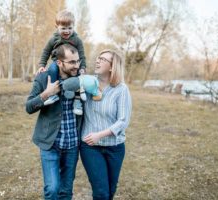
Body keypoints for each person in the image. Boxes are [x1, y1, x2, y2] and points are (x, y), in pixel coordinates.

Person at [26, 44, 83, 200]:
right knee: (52, 189)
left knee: (66, 191)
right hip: (50, 143)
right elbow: (29, 107)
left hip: (72, 145)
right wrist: (46, 93)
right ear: (59, 62)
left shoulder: (80, 80)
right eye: (72, 62)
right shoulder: (44, 78)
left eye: (78, 61)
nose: (76, 66)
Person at [80, 49, 132, 200]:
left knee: (110, 190)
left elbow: (123, 120)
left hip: (115, 147)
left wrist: (101, 135)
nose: (97, 61)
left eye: (102, 59)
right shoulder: (87, 83)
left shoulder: (121, 89)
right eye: (97, 58)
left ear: (112, 66)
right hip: (90, 146)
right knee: (101, 192)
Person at [37, 10, 86, 115]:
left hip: (73, 63)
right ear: (56, 27)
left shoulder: (76, 40)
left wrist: (82, 67)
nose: (67, 31)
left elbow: (81, 54)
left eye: (70, 28)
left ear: (73, 26)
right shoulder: (53, 39)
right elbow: (46, 52)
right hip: (57, 62)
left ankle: (77, 101)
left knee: (77, 77)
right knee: (52, 69)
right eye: (63, 28)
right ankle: (53, 94)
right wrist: (42, 65)